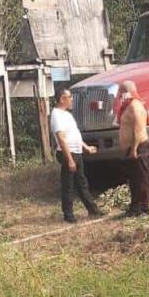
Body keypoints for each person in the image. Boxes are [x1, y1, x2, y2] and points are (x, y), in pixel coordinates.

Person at [51, 88, 103, 223]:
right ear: (62, 99)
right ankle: (68, 215)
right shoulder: (56, 115)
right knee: (68, 185)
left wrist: (86, 148)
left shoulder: (67, 114)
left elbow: (74, 135)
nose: (72, 99)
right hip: (68, 153)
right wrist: (69, 160)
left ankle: (93, 210)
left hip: (77, 152)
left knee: (82, 183)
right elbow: (61, 139)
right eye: (69, 97)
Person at [117, 80, 149, 216]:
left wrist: (134, 148)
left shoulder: (135, 106)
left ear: (127, 92)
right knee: (134, 180)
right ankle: (135, 207)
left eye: (121, 92)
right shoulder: (128, 106)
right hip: (131, 148)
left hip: (138, 147)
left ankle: (144, 208)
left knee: (141, 179)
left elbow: (139, 128)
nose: (120, 95)